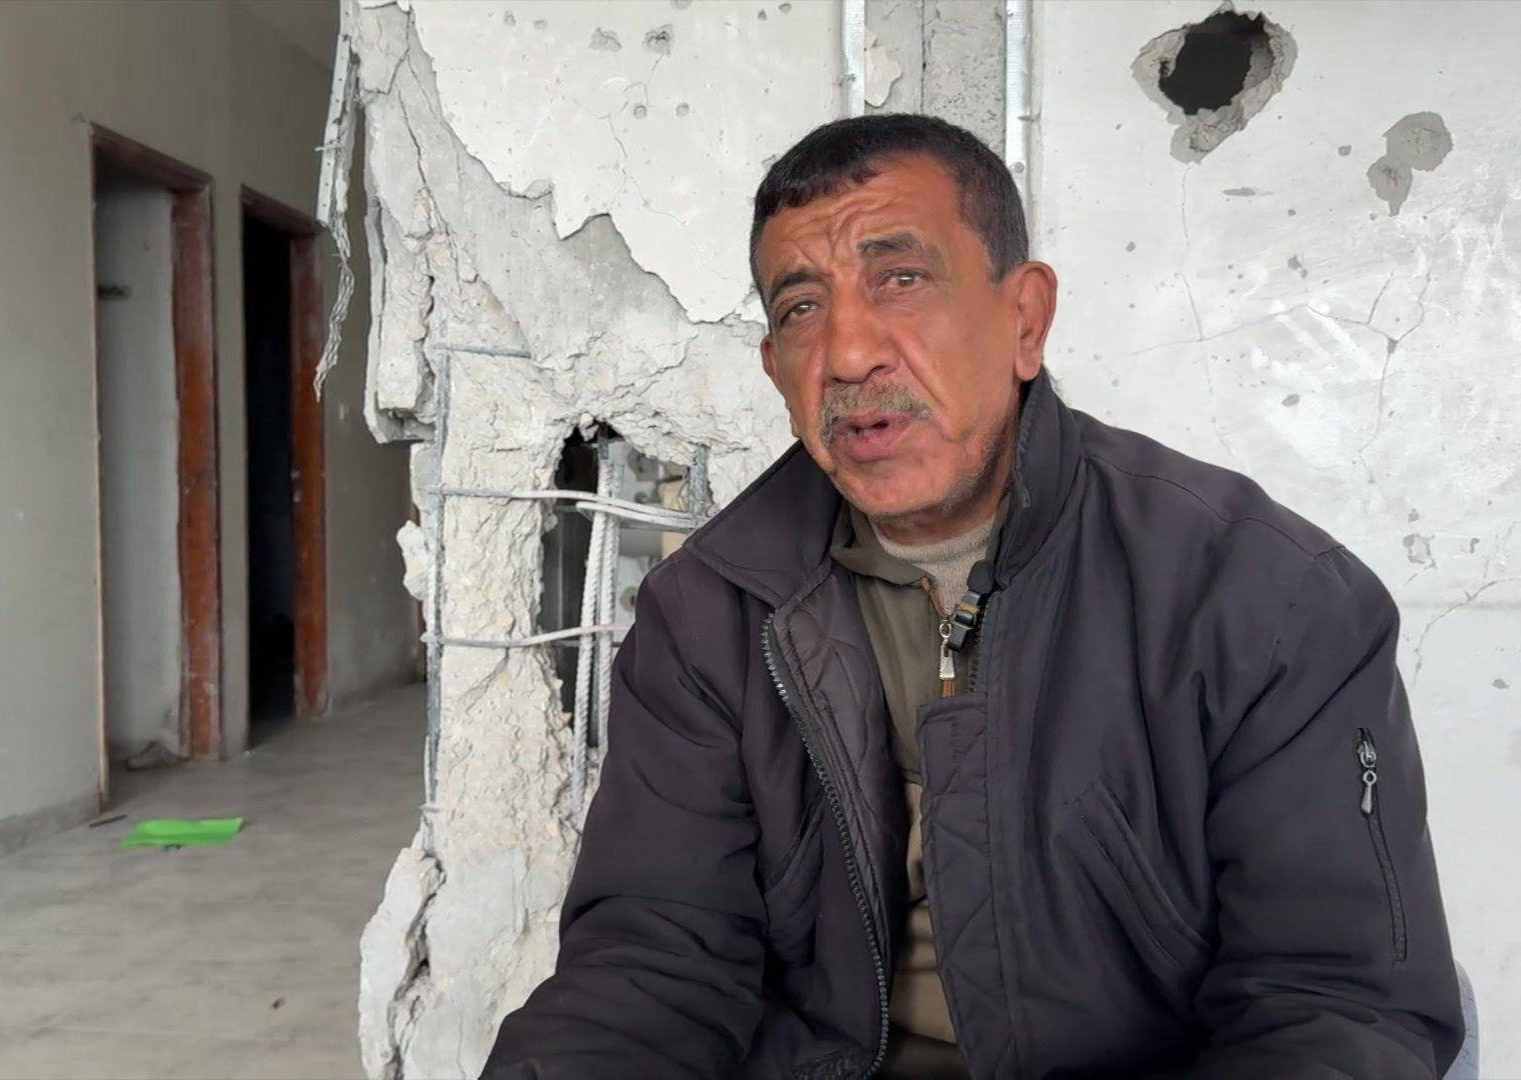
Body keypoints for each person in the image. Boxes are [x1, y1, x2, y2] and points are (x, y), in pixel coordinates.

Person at [484, 114, 1463, 1079]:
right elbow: (659, 960)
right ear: (775, 366)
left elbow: (1333, 1005)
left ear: (1023, 319)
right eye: (800, 308)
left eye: (900, 280)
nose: (849, 352)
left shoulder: (1262, 598)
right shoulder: (708, 612)